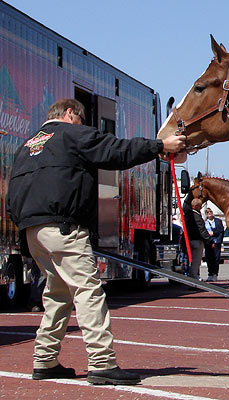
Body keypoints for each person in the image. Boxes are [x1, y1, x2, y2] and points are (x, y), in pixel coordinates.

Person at [6, 98, 185, 384]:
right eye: (81, 119)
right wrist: (160, 146)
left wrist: (23, 231)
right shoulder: (73, 134)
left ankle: (45, 359)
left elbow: (12, 193)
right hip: (64, 225)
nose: (84, 125)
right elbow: (116, 151)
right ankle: (101, 363)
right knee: (87, 291)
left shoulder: (26, 147)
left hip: (33, 230)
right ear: (69, 114)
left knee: (57, 294)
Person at [184, 197, 213, 281]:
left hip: (188, 240)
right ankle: (193, 278)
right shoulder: (196, 216)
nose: (201, 208)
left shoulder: (187, 215)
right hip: (197, 241)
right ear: (195, 206)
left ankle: (190, 275)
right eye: (200, 206)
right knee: (196, 261)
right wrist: (209, 240)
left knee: (188, 260)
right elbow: (201, 229)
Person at [203, 207, 224, 282]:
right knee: (209, 258)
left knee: (216, 258)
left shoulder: (218, 221)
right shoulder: (205, 222)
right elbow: (203, 232)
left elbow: (220, 230)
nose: (210, 214)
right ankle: (210, 274)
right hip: (208, 243)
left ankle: (215, 274)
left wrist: (214, 233)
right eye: (208, 213)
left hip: (216, 242)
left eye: (210, 212)